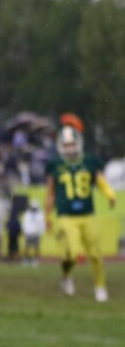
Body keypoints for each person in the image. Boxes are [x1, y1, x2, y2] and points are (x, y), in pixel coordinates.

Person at [45, 125, 116, 301]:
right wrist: (47, 216)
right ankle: (66, 276)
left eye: (72, 144)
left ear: (79, 143)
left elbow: (100, 181)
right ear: (61, 146)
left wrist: (109, 194)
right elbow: (50, 193)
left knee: (96, 254)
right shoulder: (56, 165)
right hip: (66, 216)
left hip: (87, 214)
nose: (69, 148)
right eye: (66, 144)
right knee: (74, 253)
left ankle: (100, 287)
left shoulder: (90, 161)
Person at [21, 201, 44, 266]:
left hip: (36, 232)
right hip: (29, 232)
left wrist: (41, 231)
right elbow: (24, 223)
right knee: (27, 247)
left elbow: (41, 224)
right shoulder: (27, 214)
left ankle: (35, 259)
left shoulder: (40, 214)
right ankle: (26, 259)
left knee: (36, 247)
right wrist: (24, 231)